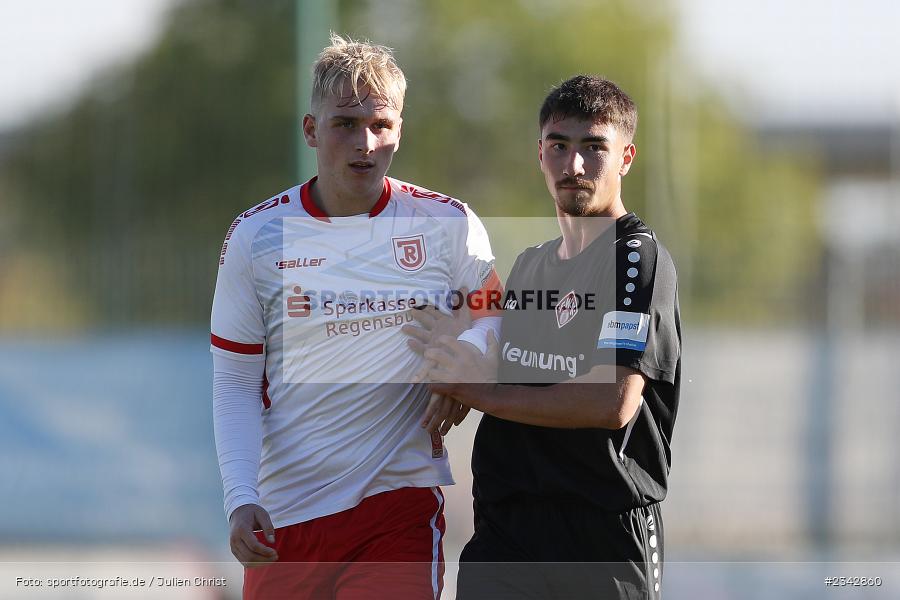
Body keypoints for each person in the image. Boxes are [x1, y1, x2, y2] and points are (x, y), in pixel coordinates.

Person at [210, 34, 501, 599]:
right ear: (311, 130)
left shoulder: (447, 223)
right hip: (286, 515)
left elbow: (498, 310)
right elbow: (235, 382)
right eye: (345, 123)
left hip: (398, 503)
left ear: (398, 131)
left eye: (380, 124)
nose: (364, 143)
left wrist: (463, 363)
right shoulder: (257, 237)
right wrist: (241, 497)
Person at [413, 75, 682, 599]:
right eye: (559, 146)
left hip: (601, 533)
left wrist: (468, 389)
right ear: (540, 153)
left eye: (593, 148)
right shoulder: (531, 266)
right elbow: (497, 363)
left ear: (626, 157)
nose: (574, 166)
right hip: (507, 532)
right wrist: (456, 349)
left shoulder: (635, 258)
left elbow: (613, 400)